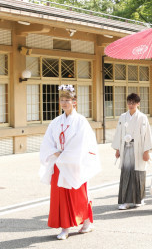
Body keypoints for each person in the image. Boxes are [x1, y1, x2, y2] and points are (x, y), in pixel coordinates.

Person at [39, 84, 101, 240]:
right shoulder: (55, 121)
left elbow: (82, 143)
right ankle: (65, 227)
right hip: (59, 163)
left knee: (78, 194)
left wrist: (66, 155)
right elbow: (47, 141)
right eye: (62, 100)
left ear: (75, 101)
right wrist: (54, 152)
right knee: (60, 197)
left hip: (75, 163)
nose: (65, 103)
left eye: (68, 99)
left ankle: (86, 222)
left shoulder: (81, 121)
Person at [112, 93, 152, 210]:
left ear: (138, 104)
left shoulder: (142, 117)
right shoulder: (122, 117)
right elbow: (119, 133)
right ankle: (127, 200)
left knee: (139, 173)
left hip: (138, 147)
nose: (131, 105)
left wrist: (146, 151)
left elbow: (147, 135)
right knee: (126, 172)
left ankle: (139, 199)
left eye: (133, 103)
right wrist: (118, 149)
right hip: (126, 147)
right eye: (129, 102)